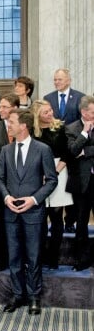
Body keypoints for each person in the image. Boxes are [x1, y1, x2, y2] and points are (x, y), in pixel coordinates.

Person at [0, 109, 57, 315]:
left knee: (33, 256)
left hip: (34, 212)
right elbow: (0, 179)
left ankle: (34, 296)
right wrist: (7, 198)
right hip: (11, 211)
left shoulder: (42, 149)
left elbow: (51, 180)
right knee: (14, 256)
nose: (9, 125)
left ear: (23, 125)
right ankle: (17, 294)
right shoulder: (5, 150)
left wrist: (33, 200)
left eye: (12, 122)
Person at [31, 100, 72, 270]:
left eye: (50, 110)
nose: (50, 113)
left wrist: (52, 174)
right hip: (37, 174)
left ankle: (53, 257)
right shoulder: (33, 131)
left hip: (58, 172)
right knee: (40, 217)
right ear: (37, 115)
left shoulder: (60, 127)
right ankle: (39, 256)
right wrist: (40, 174)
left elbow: (66, 154)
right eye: (45, 112)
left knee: (56, 217)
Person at [43, 68, 85, 233]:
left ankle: (70, 220)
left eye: (59, 79)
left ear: (68, 80)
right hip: (57, 146)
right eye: (55, 79)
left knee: (71, 187)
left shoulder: (79, 97)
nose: (56, 82)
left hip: (74, 148)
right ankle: (55, 221)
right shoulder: (48, 98)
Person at [0, 93, 20, 271]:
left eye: (5, 107)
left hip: (21, 183)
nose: (1, 110)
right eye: (0, 107)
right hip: (1, 183)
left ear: (14, 108)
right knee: (1, 222)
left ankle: (19, 259)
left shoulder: (23, 126)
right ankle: (3, 259)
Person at [65, 95, 94, 271]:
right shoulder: (72, 128)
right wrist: (84, 133)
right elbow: (73, 151)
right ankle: (81, 259)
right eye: (92, 111)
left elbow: (82, 152)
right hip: (82, 182)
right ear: (84, 112)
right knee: (81, 223)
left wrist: (87, 151)